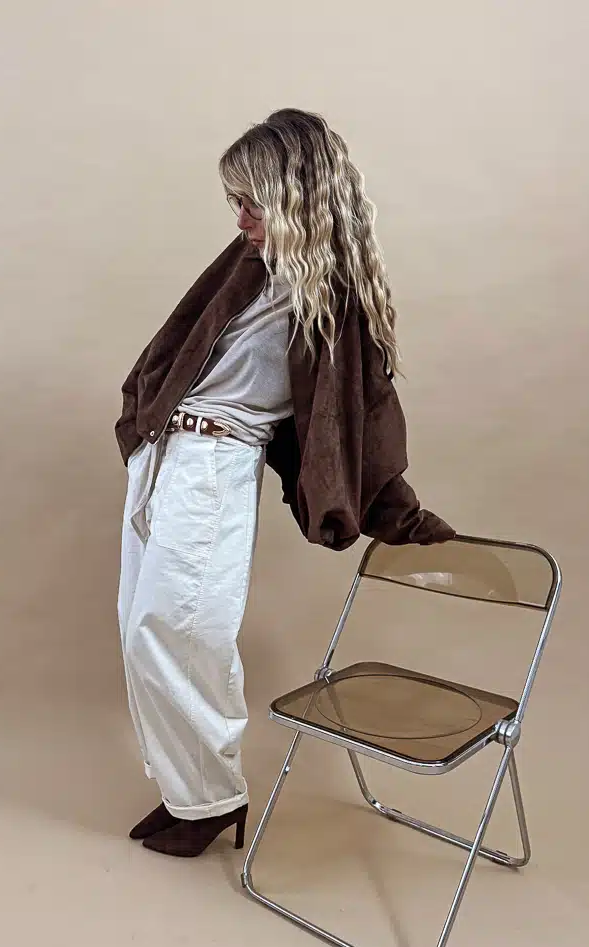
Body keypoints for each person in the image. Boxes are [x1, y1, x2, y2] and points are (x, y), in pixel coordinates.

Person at [115, 108, 454, 859]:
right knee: (141, 632)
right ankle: (186, 791)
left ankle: (211, 800)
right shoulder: (249, 266)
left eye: (251, 202)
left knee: (183, 631)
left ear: (296, 199)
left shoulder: (331, 298)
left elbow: (358, 421)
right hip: (164, 458)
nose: (239, 218)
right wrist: (140, 423)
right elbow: (176, 349)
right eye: (234, 201)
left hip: (214, 465)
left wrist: (402, 514)